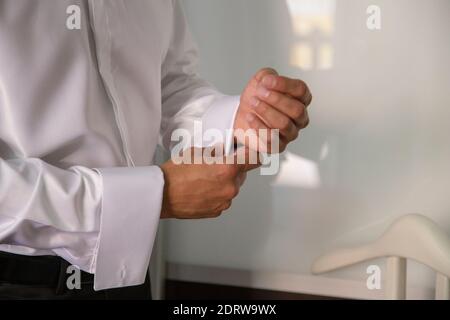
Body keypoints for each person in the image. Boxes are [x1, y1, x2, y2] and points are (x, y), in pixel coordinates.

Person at [0, 0, 312, 299]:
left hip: (128, 274)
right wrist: (153, 197)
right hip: (15, 281)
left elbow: (171, 84)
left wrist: (238, 121)